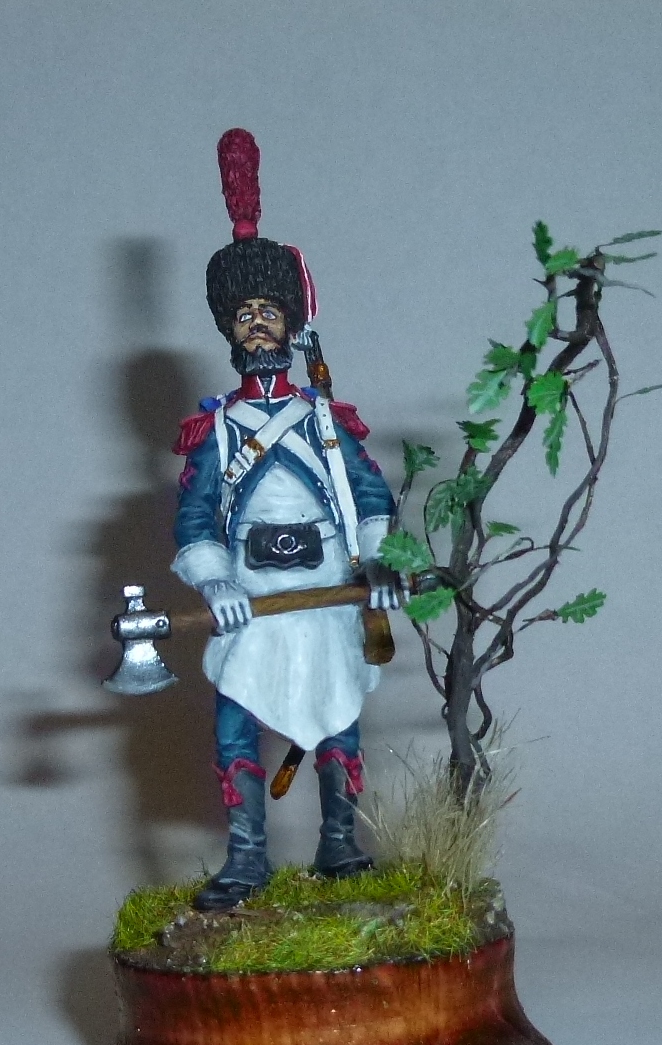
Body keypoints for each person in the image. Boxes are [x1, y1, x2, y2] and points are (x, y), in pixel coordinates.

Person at [171, 130, 401, 911]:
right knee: (237, 722)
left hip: (328, 586)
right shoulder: (216, 429)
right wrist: (215, 581)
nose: (259, 324)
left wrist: (377, 560)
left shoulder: (327, 419)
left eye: (270, 310)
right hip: (252, 593)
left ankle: (340, 842)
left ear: (290, 321)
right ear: (231, 330)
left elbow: (369, 494)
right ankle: (246, 858)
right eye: (246, 314)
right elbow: (195, 515)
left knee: (338, 715)